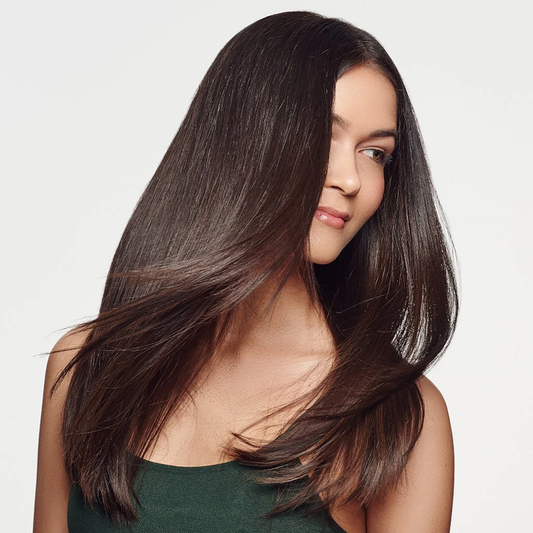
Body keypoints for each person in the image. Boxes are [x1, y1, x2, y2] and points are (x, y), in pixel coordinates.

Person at [33, 10, 458, 533]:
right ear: (241, 139)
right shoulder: (89, 365)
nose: (351, 179)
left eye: (374, 153)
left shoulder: (393, 415)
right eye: (323, 136)